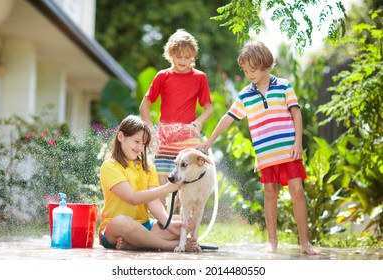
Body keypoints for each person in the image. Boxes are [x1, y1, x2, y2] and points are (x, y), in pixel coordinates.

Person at [197, 41, 320, 255]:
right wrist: (209, 142)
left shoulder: (283, 86)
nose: (249, 74)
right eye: (245, 71)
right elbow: (228, 118)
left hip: (289, 151)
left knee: (297, 192)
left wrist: (298, 142)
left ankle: (305, 243)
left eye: (253, 70)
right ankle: (272, 242)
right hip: (266, 155)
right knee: (270, 193)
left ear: (267, 65)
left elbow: (296, 113)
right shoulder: (245, 94)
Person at [98, 115, 197, 251]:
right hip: (115, 229)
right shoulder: (110, 166)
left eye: (144, 144)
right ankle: (169, 246)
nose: (140, 147)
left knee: (186, 222)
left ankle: (134, 243)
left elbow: (153, 202)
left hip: (145, 226)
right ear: (121, 137)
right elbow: (132, 198)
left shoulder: (148, 166)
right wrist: (166, 188)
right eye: (136, 141)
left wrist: (168, 223)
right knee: (121, 222)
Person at [139, 28, 213, 192]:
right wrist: (151, 133)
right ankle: (162, 218)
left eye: (188, 57)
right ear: (170, 54)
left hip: (189, 136)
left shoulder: (199, 77)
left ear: (194, 56)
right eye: (178, 56)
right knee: (162, 180)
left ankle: (181, 217)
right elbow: (144, 105)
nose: (183, 61)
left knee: (186, 181)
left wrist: (199, 122)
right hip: (165, 137)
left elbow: (209, 109)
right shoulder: (162, 76)